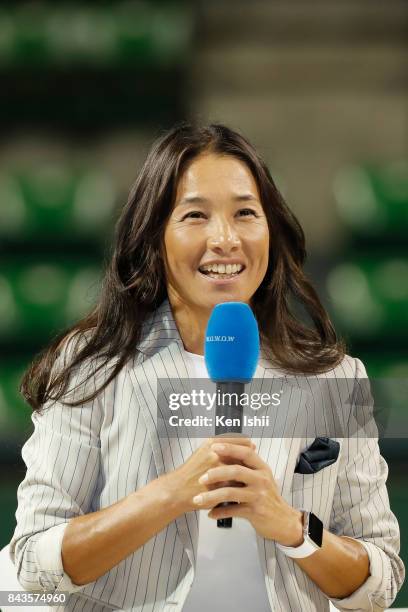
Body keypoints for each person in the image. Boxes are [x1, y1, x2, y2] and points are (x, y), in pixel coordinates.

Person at [9, 123, 404, 611]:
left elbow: (380, 583)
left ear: (270, 232)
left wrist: (293, 526)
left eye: (245, 213)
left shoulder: (337, 379)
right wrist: (171, 495)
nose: (225, 239)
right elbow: (30, 565)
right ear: (155, 237)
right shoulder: (92, 368)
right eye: (196, 215)